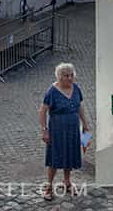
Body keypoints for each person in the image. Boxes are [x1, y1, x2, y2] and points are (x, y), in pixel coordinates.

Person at [38, 62, 89, 200]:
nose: (70, 78)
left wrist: (85, 123)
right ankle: (48, 186)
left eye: (72, 75)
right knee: (55, 157)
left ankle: (67, 181)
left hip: (72, 128)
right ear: (60, 77)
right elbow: (42, 111)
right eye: (66, 76)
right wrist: (44, 130)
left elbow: (80, 107)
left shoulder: (76, 88)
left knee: (70, 154)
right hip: (57, 129)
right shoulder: (52, 91)